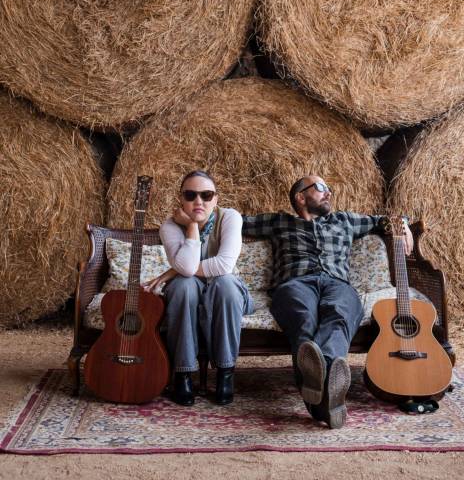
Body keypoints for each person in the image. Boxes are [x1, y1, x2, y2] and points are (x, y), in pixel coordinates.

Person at [242, 175, 413, 429]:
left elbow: (386, 219)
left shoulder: (344, 220)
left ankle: (323, 386)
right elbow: (233, 222)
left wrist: (404, 226)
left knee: (340, 314)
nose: (329, 193)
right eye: (321, 188)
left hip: (337, 285)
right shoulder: (279, 222)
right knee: (304, 320)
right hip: (295, 284)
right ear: (301, 197)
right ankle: (328, 398)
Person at [144, 170, 253, 406]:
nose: (198, 201)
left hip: (227, 295)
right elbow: (186, 267)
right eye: (190, 195)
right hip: (187, 294)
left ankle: (226, 372)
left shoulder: (230, 217)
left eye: (206, 195)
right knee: (184, 286)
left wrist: (172, 271)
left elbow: (224, 265)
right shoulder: (170, 226)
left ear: (216, 199)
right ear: (181, 199)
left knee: (224, 283)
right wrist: (192, 227)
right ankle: (182, 374)